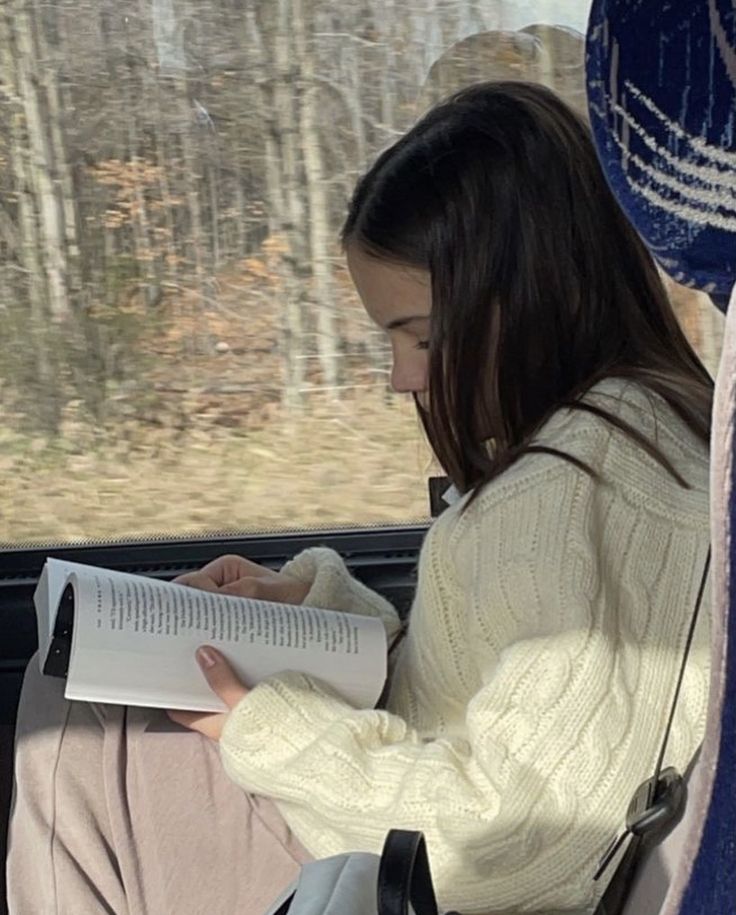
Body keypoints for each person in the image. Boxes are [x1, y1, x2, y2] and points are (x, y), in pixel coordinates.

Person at [7, 82, 712, 915]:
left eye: (419, 337)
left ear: (530, 295)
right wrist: (320, 605)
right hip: (409, 806)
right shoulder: (644, 426)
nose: (402, 377)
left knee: (75, 711)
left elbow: (521, 843)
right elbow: (498, 676)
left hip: (412, 874)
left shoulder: (574, 491)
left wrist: (261, 731)